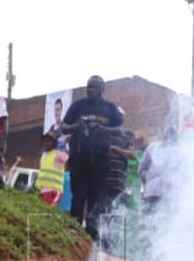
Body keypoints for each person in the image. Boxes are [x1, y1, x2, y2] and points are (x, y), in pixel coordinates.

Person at [61, 75, 125, 240]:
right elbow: (63, 127)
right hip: (79, 158)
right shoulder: (78, 106)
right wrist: (77, 126)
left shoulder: (110, 108)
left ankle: (91, 237)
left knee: (96, 199)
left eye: (94, 87)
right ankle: (74, 234)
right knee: (78, 197)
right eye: (88, 87)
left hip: (101, 160)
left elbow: (119, 129)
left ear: (102, 88)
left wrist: (104, 129)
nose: (90, 90)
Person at [138, 126, 181, 226]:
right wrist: (148, 181)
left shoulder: (178, 153)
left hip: (169, 195)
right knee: (150, 225)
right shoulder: (152, 147)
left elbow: (182, 175)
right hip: (152, 194)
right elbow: (141, 169)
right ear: (164, 136)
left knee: (166, 226)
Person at [37, 130, 68, 207]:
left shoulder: (58, 154)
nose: (46, 143)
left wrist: (65, 146)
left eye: (49, 141)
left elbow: (69, 159)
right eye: (45, 141)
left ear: (54, 143)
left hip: (54, 191)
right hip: (42, 191)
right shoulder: (43, 156)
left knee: (48, 214)